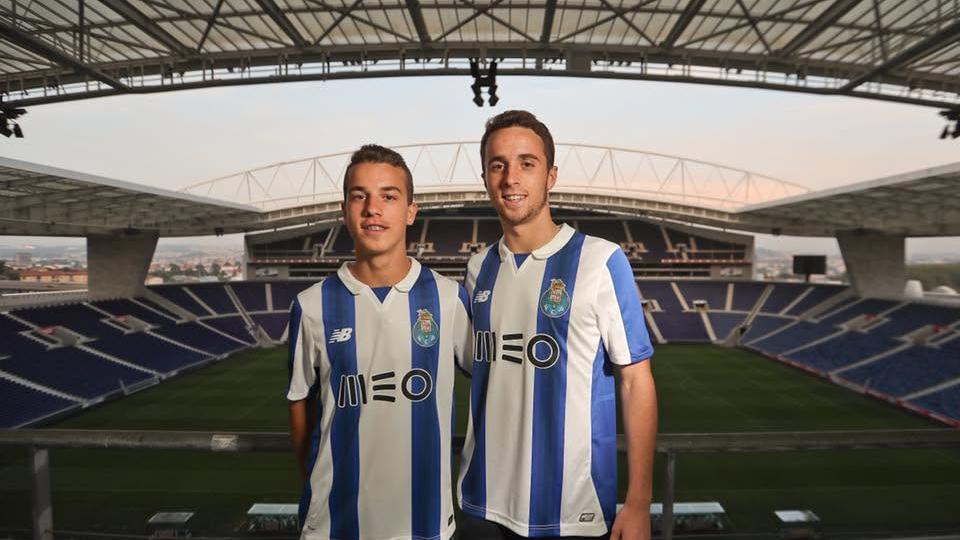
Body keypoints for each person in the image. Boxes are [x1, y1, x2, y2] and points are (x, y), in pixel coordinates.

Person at [458, 111, 657, 540]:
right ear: (485, 178)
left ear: (551, 176)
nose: (511, 178)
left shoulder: (601, 260)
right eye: (498, 165)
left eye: (527, 163)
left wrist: (639, 501)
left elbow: (636, 381)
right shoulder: (477, 269)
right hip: (481, 504)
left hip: (572, 513)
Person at [288, 144, 472, 540]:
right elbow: (299, 403)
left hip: (426, 525)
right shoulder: (311, 305)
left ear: (410, 211)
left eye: (388, 196)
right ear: (345, 211)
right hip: (333, 526)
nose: (373, 208)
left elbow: (495, 382)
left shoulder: (449, 299)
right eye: (360, 196)